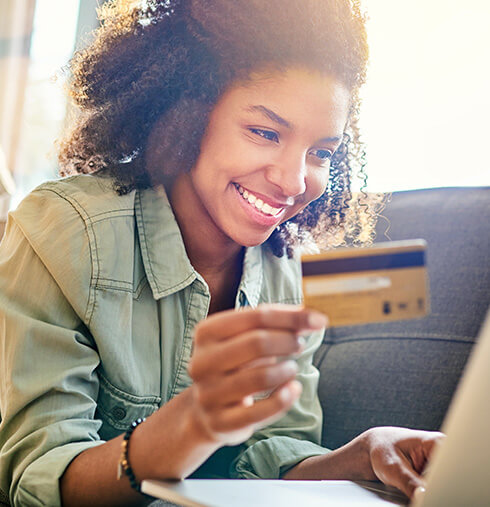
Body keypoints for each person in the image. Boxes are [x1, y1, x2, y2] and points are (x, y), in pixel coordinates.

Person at [0, 1, 443, 506]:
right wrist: (191, 425)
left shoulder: (292, 275)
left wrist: (358, 455)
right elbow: (35, 480)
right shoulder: (64, 233)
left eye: (320, 152)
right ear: (186, 113)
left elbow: (263, 458)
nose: (294, 181)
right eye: (265, 133)